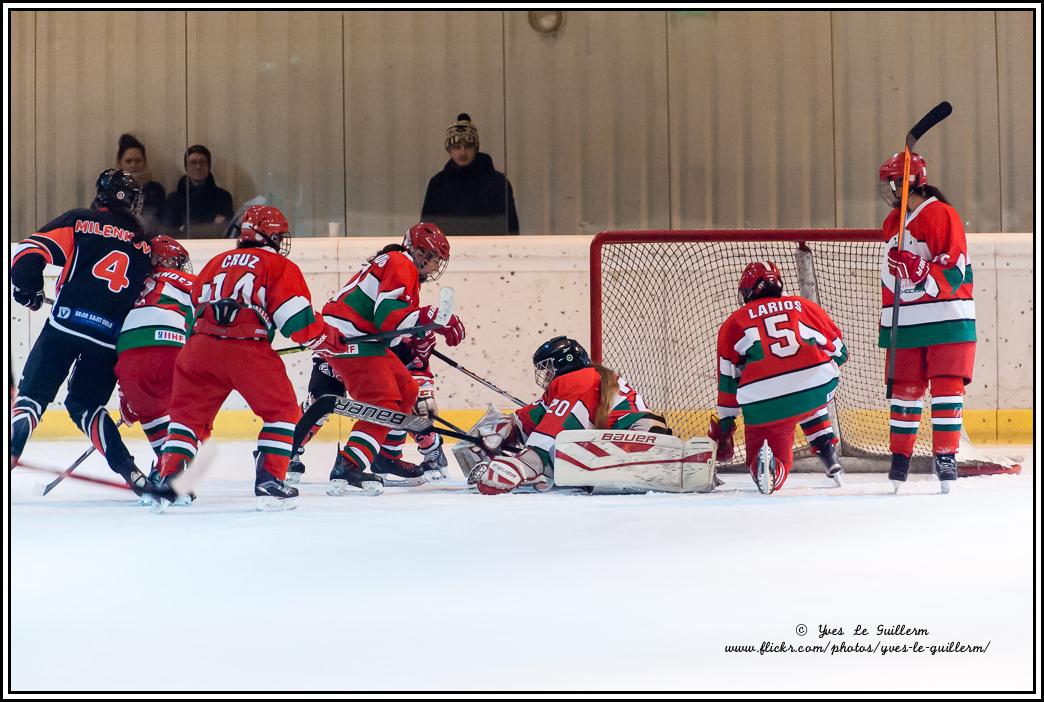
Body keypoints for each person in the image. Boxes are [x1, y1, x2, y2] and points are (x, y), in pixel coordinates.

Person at [150, 205, 346, 511]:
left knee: (187, 418)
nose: (282, 241)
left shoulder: (215, 262)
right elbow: (296, 321)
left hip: (199, 348)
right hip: (246, 347)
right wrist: (328, 339)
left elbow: (195, 309)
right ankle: (269, 481)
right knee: (282, 411)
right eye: (279, 235)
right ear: (269, 236)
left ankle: (171, 480)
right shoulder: (278, 265)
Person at [10, 169, 153, 495]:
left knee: (33, 396)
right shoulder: (144, 245)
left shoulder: (81, 221)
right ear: (132, 202)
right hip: (107, 340)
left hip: (65, 324)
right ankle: (129, 470)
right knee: (86, 406)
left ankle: (16, 442)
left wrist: (27, 289)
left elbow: (28, 255)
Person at [319, 222, 465, 495]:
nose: (434, 267)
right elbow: (387, 317)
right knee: (382, 402)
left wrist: (423, 328)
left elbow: (392, 329)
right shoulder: (401, 262)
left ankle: (386, 456)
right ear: (419, 251)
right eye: (433, 259)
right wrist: (431, 317)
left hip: (365, 338)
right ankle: (349, 464)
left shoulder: (398, 263)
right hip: (349, 337)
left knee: (406, 388)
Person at [877, 152, 975, 493]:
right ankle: (899, 458)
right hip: (903, 324)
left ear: (911, 182)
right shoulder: (892, 222)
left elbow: (954, 269)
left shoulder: (942, 214)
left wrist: (921, 270)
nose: (889, 191)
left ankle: (945, 457)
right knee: (904, 391)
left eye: (893, 183)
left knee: (947, 389)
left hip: (946, 319)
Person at [707, 262, 848, 493]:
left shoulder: (734, 322)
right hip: (817, 388)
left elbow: (728, 381)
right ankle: (828, 453)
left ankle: (773, 469)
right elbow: (841, 352)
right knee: (809, 392)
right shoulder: (804, 306)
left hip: (766, 403)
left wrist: (726, 423)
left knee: (766, 461)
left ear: (748, 291)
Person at [470, 336, 670, 495]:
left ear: (565, 362)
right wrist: (504, 430)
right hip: (621, 440)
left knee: (556, 463)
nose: (546, 375)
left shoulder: (579, 378)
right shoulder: (566, 387)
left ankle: (654, 452)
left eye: (548, 368)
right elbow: (532, 417)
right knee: (564, 464)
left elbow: (558, 425)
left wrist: (524, 464)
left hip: (637, 434)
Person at [284, 331, 449, 486]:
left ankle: (424, 451)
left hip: (377, 357)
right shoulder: (376, 312)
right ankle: (285, 450)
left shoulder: (409, 336)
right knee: (320, 401)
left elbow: (418, 374)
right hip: (338, 350)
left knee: (408, 398)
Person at [114, 235, 196, 463]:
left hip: (128, 351)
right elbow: (206, 311)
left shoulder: (128, 284)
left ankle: (166, 468)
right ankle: (176, 469)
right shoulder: (185, 280)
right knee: (189, 410)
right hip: (171, 345)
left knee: (149, 411)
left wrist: (127, 396)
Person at [420, 113, 519, 235]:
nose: (463, 152)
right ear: (449, 150)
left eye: (468, 146)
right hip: (448, 251)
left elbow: (511, 229)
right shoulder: (438, 184)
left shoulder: (498, 184)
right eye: (457, 147)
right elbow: (427, 231)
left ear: (475, 148)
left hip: (491, 250)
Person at [165, 144, 234, 233]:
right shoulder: (173, 199)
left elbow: (225, 229)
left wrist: (184, 228)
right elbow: (169, 231)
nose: (198, 167)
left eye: (202, 162)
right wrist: (211, 226)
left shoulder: (223, 197)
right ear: (186, 167)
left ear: (209, 166)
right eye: (193, 163)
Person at [115, 133, 166, 235]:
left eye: (138, 161)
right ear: (119, 164)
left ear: (144, 163)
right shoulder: (110, 190)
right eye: (128, 161)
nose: (133, 165)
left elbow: (156, 223)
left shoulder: (155, 190)